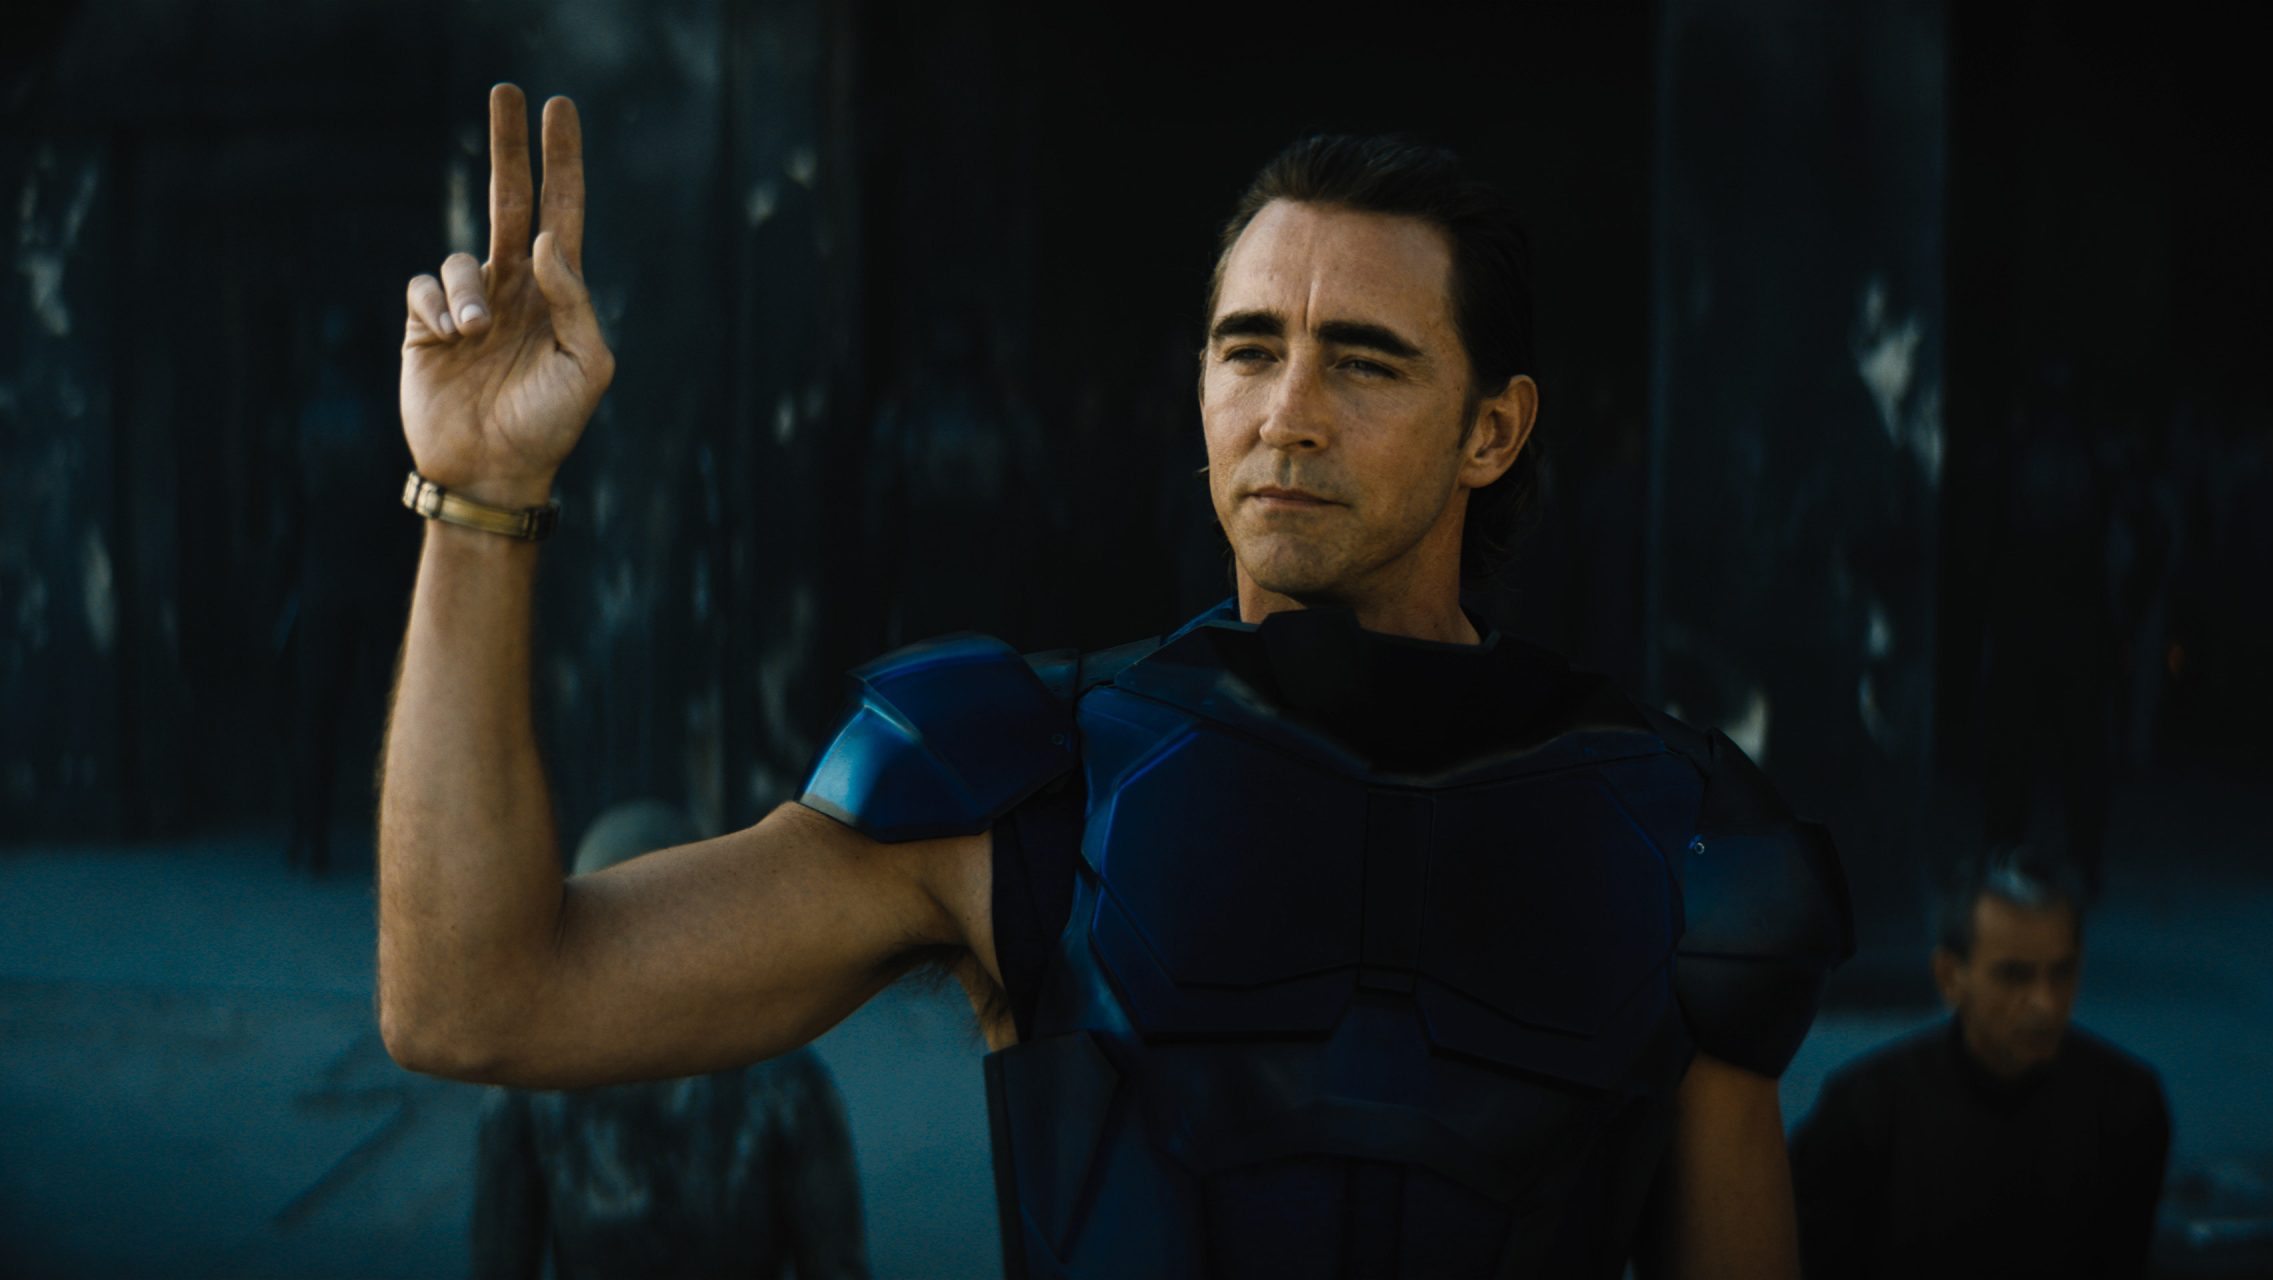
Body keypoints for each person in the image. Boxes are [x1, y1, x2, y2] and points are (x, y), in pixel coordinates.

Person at [377, 84, 1852, 1279]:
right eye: (1249, 349)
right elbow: (475, 999)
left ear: (1493, 430)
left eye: (1365, 362)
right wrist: (481, 497)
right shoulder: (1027, 777)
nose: (1287, 414)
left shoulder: (1677, 833)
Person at [470, 801, 870, 1280]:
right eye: (609, 930)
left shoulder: (784, 1083)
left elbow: (836, 1265)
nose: (634, 956)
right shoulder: (529, 1094)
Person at [1787, 850, 2169, 1279]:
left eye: (2062, 972)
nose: (2044, 1003)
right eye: (2014, 975)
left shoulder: (2125, 1106)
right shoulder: (1865, 1114)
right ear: (1950, 976)